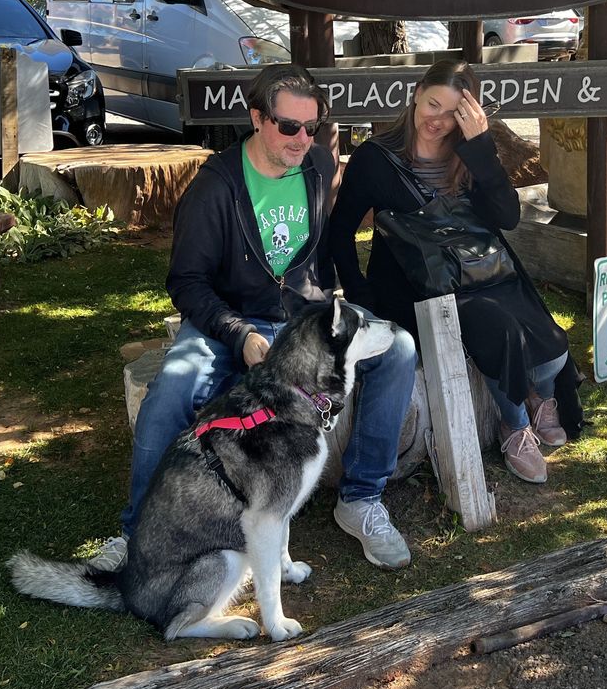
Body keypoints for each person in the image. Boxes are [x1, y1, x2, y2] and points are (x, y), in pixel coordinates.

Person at [102, 63, 418, 571]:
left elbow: (320, 252)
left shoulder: (315, 166)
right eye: (288, 126)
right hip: (231, 319)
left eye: (311, 127)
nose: (301, 139)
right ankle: (135, 531)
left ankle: (360, 499)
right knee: (171, 392)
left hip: (303, 316)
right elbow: (186, 282)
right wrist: (239, 333)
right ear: (256, 118)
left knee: (398, 349)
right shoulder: (215, 187)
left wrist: (337, 306)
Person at [328, 59, 585, 484]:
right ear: (416, 93)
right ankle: (515, 424)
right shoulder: (377, 159)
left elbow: (507, 216)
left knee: (553, 345)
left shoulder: (466, 153)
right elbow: (340, 232)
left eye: (453, 113)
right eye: (433, 105)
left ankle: (536, 391)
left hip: (480, 270)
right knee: (499, 327)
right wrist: (360, 295)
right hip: (413, 289)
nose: (439, 120)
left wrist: (481, 146)